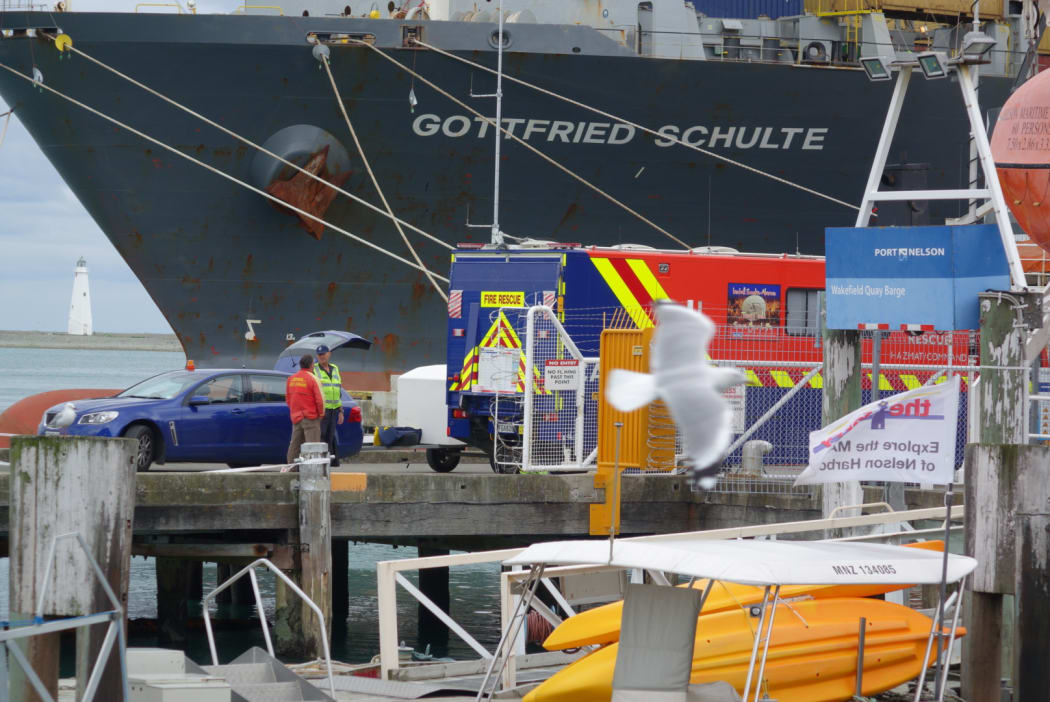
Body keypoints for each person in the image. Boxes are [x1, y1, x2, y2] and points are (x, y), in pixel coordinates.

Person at [286, 354, 324, 464]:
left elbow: (288, 399)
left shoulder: (291, 379)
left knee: (295, 445)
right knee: (313, 447)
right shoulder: (313, 379)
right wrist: (320, 415)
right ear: (311, 365)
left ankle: (291, 468)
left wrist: (295, 412)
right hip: (311, 418)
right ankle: (312, 472)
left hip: (296, 418)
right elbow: (320, 400)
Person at [313, 343, 344, 466]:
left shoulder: (335, 368)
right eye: (319, 355)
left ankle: (329, 463)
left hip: (333, 410)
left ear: (329, 353)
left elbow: (338, 391)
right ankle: (321, 463)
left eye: (323, 354)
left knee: (330, 437)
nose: (322, 357)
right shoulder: (314, 369)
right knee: (320, 437)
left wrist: (340, 410)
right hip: (322, 411)